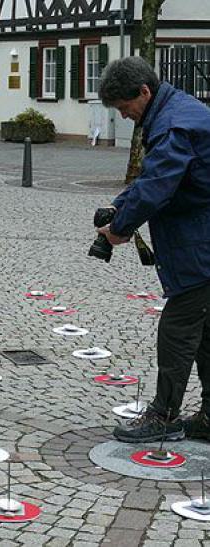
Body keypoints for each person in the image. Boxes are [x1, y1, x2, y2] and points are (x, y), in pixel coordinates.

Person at [96, 56, 210, 443]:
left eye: (125, 107)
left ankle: (163, 417)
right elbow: (153, 177)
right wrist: (119, 206)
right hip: (199, 239)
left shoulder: (174, 125)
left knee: (178, 329)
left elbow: (157, 186)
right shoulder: (177, 111)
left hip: (200, 246)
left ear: (144, 92)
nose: (124, 116)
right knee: (205, 331)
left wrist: (119, 228)